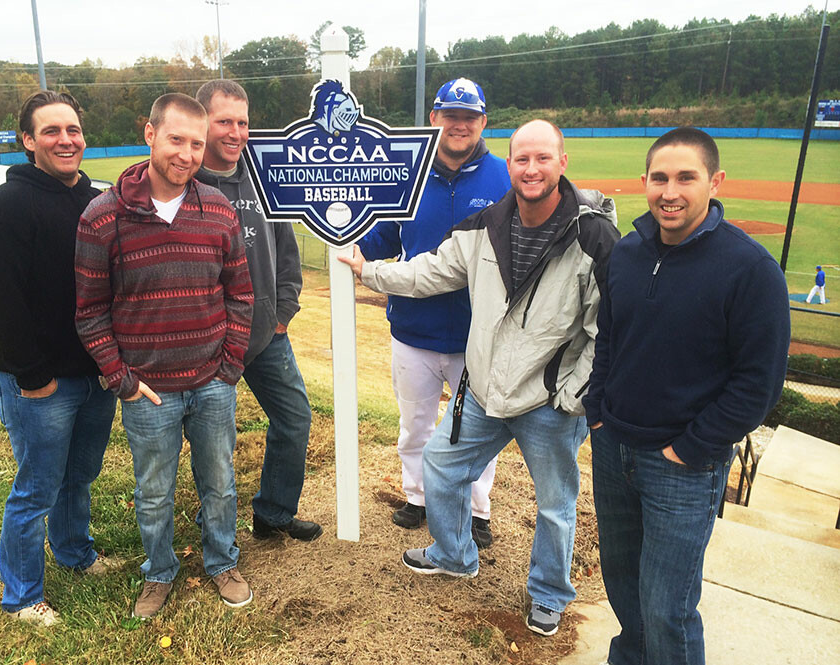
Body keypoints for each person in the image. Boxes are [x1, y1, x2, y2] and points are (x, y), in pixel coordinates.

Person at [340, 120, 619, 637]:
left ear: (562, 163)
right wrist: (370, 271)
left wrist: (574, 393)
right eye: (521, 159)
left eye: (542, 158)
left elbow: (607, 328)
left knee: (556, 505)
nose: (531, 169)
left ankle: (549, 594)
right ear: (508, 165)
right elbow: (429, 271)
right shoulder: (486, 224)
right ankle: (453, 554)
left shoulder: (593, 235)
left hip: (547, 401)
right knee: (441, 466)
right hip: (487, 391)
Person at [584, 127, 790, 665]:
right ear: (644, 182)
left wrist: (690, 448)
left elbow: (758, 385)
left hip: (683, 466)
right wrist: (597, 415)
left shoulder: (750, 269)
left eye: (685, 178)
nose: (669, 191)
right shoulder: (627, 253)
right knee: (625, 591)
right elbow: (609, 337)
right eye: (659, 178)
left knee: (666, 607)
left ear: (714, 182)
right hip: (614, 449)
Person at [74, 93, 254, 618]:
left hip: (212, 381)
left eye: (197, 144)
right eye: (176, 139)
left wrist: (230, 366)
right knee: (153, 491)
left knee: (219, 481)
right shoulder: (102, 216)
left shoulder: (217, 209)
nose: (187, 153)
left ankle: (223, 562)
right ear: (150, 134)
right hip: (148, 389)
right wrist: (121, 379)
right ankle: (158, 572)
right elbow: (90, 311)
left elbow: (240, 292)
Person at [0, 91, 117, 627]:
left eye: (73, 130)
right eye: (51, 131)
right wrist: (32, 375)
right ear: (29, 141)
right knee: (36, 488)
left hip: (96, 373)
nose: (66, 140)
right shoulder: (6, 209)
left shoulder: (97, 201)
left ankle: (76, 553)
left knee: (78, 477)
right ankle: (21, 595)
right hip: (41, 381)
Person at [356, 78, 510, 546]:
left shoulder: (503, 175)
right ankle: (417, 497)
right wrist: (349, 247)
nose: (459, 125)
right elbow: (380, 236)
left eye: (469, 117)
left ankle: (478, 510)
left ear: (482, 122)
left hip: (478, 333)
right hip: (412, 329)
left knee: (479, 433)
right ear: (434, 120)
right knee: (416, 426)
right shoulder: (407, 173)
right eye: (450, 116)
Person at [194, 79, 321, 542]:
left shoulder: (265, 175)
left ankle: (274, 513)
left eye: (243, 122)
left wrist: (284, 309)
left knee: (294, 418)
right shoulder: (185, 181)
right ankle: (213, 521)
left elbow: (286, 249)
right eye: (224, 121)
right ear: (202, 121)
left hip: (266, 332)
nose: (235, 132)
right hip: (209, 338)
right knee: (214, 441)